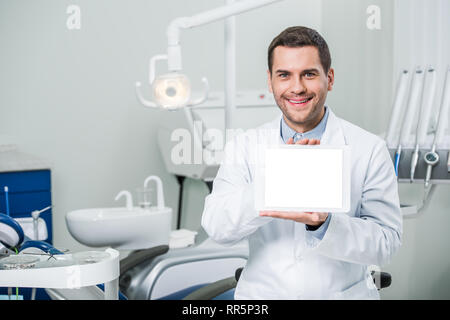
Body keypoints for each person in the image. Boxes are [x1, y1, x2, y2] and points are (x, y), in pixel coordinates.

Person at [201, 26, 402, 300]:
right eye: (284, 75)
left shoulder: (368, 149)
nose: (297, 87)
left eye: (309, 74)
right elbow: (217, 226)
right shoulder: (244, 147)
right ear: (270, 82)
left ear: (329, 79)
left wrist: (323, 224)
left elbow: (386, 242)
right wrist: (272, 187)